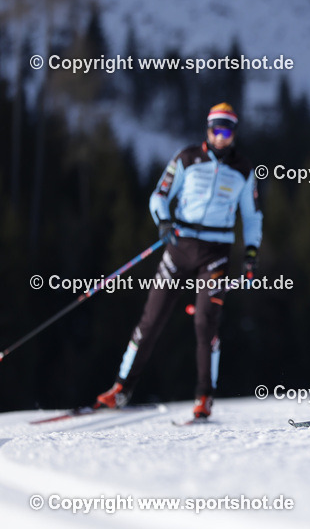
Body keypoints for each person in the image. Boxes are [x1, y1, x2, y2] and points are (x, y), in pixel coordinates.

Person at [94, 103, 263, 419]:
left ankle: (204, 397)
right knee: (151, 320)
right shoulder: (186, 158)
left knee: (204, 321)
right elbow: (159, 195)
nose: (220, 136)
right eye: (215, 129)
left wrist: (251, 253)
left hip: (216, 253)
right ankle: (120, 389)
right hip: (179, 246)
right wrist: (164, 221)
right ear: (207, 130)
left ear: (233, 134)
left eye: (226, 130)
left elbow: (252, 217)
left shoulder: (243, 168)